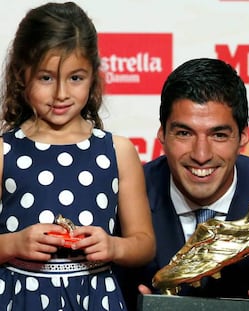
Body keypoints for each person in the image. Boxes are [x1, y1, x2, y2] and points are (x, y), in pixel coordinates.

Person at [116, 57, 249, 311]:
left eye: (219, 135)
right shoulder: (122, 197)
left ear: (243, 137)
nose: (201, 154)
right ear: (162, 134)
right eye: (184, 133)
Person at [0, 2, 155, 310]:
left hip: (95, 296)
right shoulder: (5, 152)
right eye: (46, 78)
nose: (61, 94)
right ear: (21, 75)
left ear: (94, 77)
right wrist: (14, 243)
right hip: (19, 297)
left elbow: (145, 243)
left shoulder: (118, 152)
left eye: (75, 78)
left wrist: (113, 246)